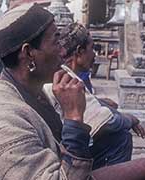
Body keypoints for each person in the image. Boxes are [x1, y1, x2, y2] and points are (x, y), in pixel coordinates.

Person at [0, 3, 145, 180]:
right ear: (28, 53)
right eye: (55, 41)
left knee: (119, 141)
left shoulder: (32, 92)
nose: (64, 50)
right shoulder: (2, 119)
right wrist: (74, 117)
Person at [43, 22, 145, 170]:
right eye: (91, 49)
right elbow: (107, 123)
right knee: (121, 137)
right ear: (79, 52)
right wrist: (131, 119)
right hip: (65, 155)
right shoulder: (67, 80)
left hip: (62, 145)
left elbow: (88, 104)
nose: (94, 54)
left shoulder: (66, 74)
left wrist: (99, 102)